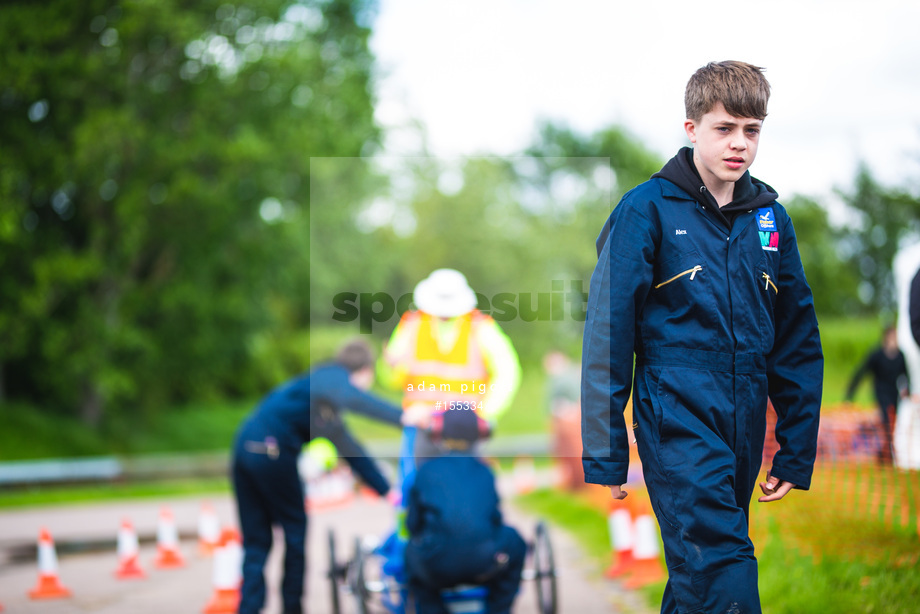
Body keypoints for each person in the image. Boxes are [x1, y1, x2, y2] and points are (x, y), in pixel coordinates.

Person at [580, 61, 823, 614]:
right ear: (692, 128)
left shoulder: (770, 218)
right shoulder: (647, 209)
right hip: (676, 411)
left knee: (698, 578)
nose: (740, 143)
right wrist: (605, 447)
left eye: (752, 130)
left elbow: (797, 338)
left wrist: (796, 447)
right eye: (725, 128)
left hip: (744, 414)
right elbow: (608, 333)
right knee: (720, 560)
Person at [231, 339, 403, 614]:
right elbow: (356, 400)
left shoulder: (322, 405)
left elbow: (350, 449)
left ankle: (249, 608)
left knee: (257, 540)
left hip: (245, 446)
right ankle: (292, 608)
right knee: (295, 532)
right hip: (272, 449)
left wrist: (386, 491)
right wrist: (404, 417)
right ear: (365, 370)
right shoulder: (331, 376)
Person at [380, 268, 521, 461]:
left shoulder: (481, 327)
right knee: (418, 486)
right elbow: (392, 378)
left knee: (463, 484)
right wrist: (391, 367)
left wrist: (484, 413)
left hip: (463, 426)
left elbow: (508, 372)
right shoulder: (412, 324)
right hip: (421, 424)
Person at [405, 409, 526, 614]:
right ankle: (497, 609)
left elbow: (413, 524)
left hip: (436, 567)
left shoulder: (426, 470)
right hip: (484, 562)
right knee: (515, 540)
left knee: (410, 552)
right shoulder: (485, 471)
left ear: (438, 434)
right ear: (479, 435)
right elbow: (494, 519)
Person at [845, 326, 910, 463]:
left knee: (892, 422)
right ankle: (887, 454)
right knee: (886, 419)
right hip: (881, 392)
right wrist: (851, 393)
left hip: (894, 393)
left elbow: (905, 376)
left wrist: (906, 390)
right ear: (886, 338)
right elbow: (862, 371)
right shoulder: (877, 355)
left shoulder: (900, 356)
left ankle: (884, 451)